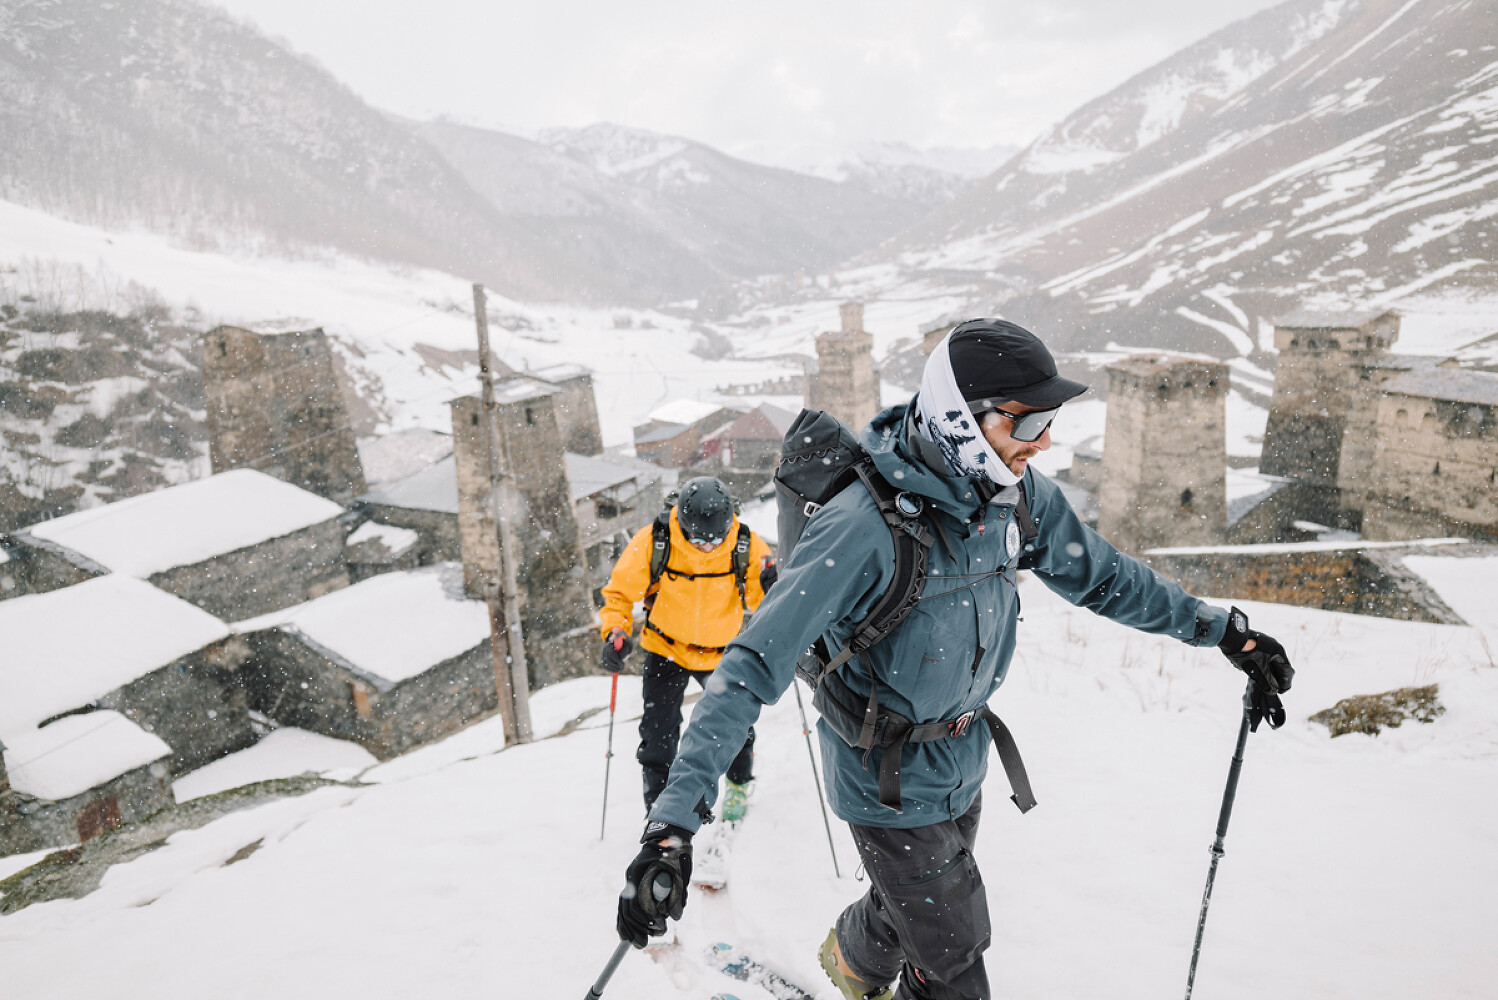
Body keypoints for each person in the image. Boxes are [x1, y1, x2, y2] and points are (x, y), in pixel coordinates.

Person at [614, 320, 1295, 1000]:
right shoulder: (862, 528)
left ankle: (853, 963)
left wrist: (1225, 633)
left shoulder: (1012, 501)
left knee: (907, 909)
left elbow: (1105, 576)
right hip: (881, 778)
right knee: (956, 966)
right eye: (1029, 423)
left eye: (1051, 420)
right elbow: (748, 668)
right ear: (964, 422)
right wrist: (673, 826)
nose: (1046, 441)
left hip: (962, 762)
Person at [598, 475, 776, 824]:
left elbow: (765, 599)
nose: (707, 547)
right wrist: (615, 631)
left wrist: (773, 588)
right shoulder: (655, 541)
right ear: (681, 521)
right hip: (665, 649)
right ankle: (659, 813)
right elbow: (619, 594)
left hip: (723, 654)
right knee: (658, 739)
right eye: (697, 539)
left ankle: (739, 786)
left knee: (735, 727)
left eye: (715, 539)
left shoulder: (745, 545)